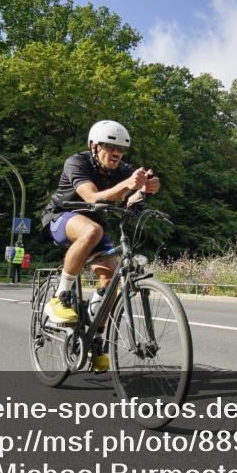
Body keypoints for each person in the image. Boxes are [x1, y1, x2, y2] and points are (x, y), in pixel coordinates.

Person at [40, 121, 160, 371]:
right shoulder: (77, 162)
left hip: (95, 227)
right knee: (92, 230)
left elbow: (129, 199)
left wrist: (144, 190)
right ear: (94, 146)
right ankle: (60, 297)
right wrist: (128, 184)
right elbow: (92, 197)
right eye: (109, 145)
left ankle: (95, 341)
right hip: (62, 218)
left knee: (111, 280)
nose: (116, 151)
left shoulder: (123, 170)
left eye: (121, 148)